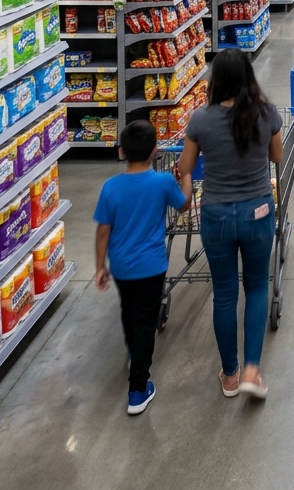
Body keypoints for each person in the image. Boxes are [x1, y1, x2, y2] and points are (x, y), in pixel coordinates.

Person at [178, 51, 282, 399]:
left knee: (224, 294)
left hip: (217, 214)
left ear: (216, 80)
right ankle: (253, 369)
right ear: (249, 77)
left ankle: (230, 375)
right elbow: (276, 156)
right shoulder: (266, 113)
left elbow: (186, 166)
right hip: (258, 213)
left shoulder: (200, 120)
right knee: (256, 287)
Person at [94, 120, 187, 415]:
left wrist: (100, 267)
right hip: (152, 265)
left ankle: (133, 351)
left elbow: (102, 231)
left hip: (121, 267)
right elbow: (183, 205)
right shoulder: (162, 182)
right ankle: (138, 388)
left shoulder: (111, 187)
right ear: (155, 150)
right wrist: (184, 176)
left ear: (121, 151)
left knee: (129, 312)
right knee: (146, 321)